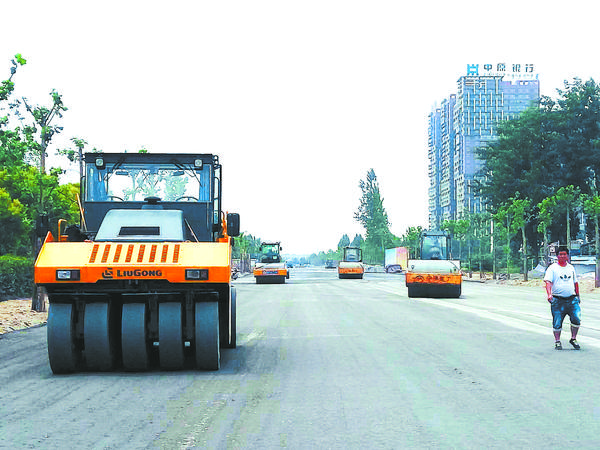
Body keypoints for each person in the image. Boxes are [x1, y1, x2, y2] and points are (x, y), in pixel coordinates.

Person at [544, 246, 581, 350]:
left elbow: (575, 282)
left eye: (564, 254)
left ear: (567, 256)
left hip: (572, 299)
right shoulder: (552, 268)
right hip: (558, 300)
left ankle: (573, 338)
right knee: (557, 321)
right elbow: (548, 282)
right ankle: (557, 341)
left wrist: (578, 296)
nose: (563, 256)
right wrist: (549, 294)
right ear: (557, 256)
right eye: (560, 254)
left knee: (576, 319)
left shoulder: (571, 268)